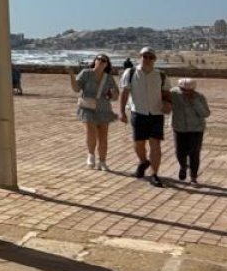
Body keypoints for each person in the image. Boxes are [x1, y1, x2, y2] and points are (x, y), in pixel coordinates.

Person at [120, 47, 172, 186]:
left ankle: (154, 174)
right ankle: (143, 161)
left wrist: (168, 104)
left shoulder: (161, 75)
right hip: (138, 112)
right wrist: (122, 112)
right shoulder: (130, 73)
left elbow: (167, 93)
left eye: (151, 57)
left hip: (156, 114)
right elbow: (124, 93)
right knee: (139, 143)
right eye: (145, 56)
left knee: (155, 144)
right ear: (140, 57)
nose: (147, 59)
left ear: (154, 59)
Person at [71, 54, 119, 170]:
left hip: (104, 109)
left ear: (107, 64)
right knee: (91, 132)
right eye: (99, 59)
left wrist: (113, 94)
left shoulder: (108, 78)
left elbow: (115, 96)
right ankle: (91, 155)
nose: (101, 61)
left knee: (103, 137)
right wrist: (71, 76)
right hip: (88, 107)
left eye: (104, 60)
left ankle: (102, 161)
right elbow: (76, 89)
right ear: (95, 61)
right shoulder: (86, 73)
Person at [169, 78, 212, 184]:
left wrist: (194, 102)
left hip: (196, 129)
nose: (186, 93)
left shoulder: (199, 97)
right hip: (179, 128)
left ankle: (193, 177)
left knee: (194, 153)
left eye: (189, 91)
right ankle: (183, 166)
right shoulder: (173, 94)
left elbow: (206, 113)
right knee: (180, 152)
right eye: (183, 90)